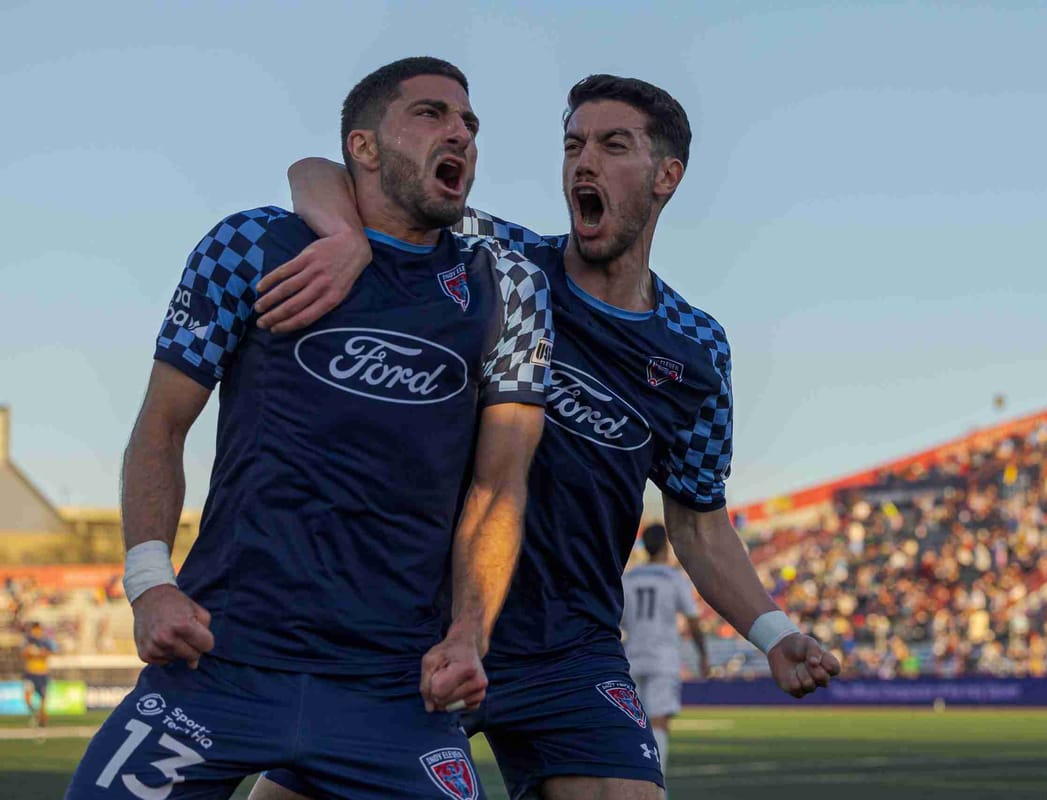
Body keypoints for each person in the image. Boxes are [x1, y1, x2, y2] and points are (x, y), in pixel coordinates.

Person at [252, 74, 840, 800]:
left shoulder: (696, 347)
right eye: (573, 145)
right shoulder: (499, 259)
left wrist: (774, 632)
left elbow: (698, 519)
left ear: (667, 177)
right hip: (428, 627)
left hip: (571, 649)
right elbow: (325, 172)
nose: (582, 162)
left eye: (611, 145)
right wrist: (344, 233)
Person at [65, 56, 553, 800]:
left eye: (470, 124)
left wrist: (467, 636)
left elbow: (499, 487)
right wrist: (150, 584)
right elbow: (162, 425)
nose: (460, 132)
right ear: (363, 147)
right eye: (431, 114)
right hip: (220, 664)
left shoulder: (505, 286)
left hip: (392, 689)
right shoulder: (252, 246)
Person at [621, 524, 709, 775]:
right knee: (659, 720)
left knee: (635, 723)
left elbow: (618, 620)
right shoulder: (673, 578)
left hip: (632, 658)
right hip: (663, 659)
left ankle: (633, 780)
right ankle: (655, 783)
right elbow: (693, 621)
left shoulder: (628, 579)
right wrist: (703, 656)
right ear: (665, 546)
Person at [22, 620, 56, 729]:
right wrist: (32, 653)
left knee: (43, 701)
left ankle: (42, 722)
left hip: (42, 674)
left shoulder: (45, 641)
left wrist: (40, 653)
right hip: (30, 673)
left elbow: (50, 653)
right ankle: (35, 714)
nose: (35, 632)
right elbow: (24, 654)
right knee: (27, 697)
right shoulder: (28, 640)